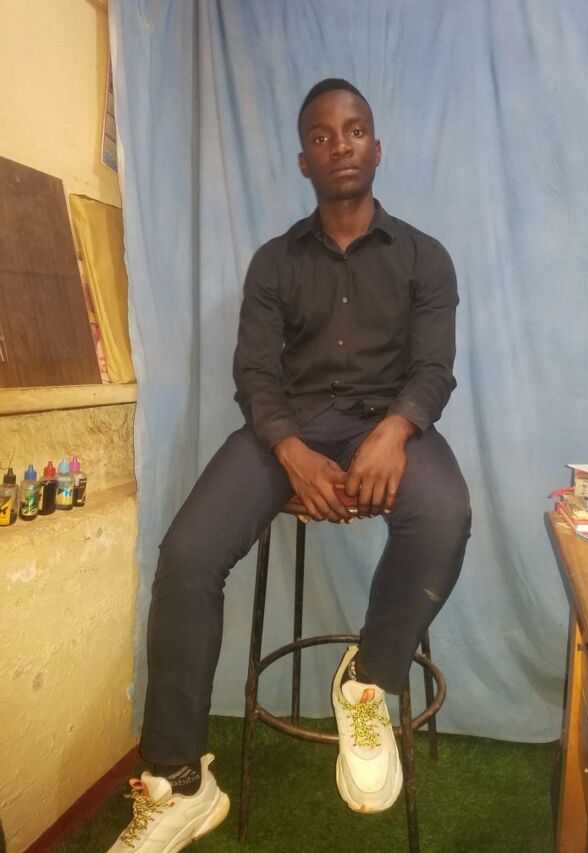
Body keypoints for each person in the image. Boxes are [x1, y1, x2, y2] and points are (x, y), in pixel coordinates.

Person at [109, 78, 471, 852]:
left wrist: (396, 430)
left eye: (355, 130)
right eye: (321, 135)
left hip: (385, 425)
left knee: (446, 513)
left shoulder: (425, 257)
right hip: (288, 428)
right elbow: (255, 375)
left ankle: (367, 681)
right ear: (304, 160)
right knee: (187, 553)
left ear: (377, 146)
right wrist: (291, 451)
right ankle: (179, 779)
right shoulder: (274, 263)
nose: (341, 144)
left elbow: (433, 369)